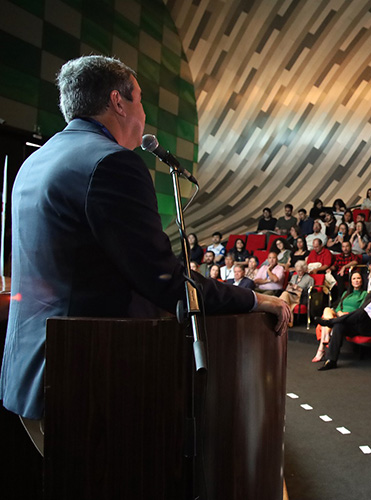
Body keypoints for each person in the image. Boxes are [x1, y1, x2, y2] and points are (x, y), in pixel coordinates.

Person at [0, 56, 291, 441]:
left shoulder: (36, 161)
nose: (143, 112)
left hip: (34, 371)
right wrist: (253, 300)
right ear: (118, 101)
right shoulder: (110, 163)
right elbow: (164, 279)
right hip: (84, 377)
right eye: (139, 100)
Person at [316, 278, 371, 370]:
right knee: (339, 326)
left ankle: (331, 321)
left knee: (361, 312)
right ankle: (331, 361)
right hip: (362, 325)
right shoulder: (369, 296)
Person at [311, 270, 368, 363]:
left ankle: (321, 349)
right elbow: (338, 308)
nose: (356, 280)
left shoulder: (364, 294)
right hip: (339, 315)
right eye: (354, 278)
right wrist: (339, 312)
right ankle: (326, 337)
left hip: (350, 318)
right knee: (326, 309)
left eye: (358, 278)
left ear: (362, 281)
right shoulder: (346, 293)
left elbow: (360, 310)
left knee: (325, 322)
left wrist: (345, 314)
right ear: (351, 281)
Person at [279, 261, 315, 327]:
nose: (298, 272)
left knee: (284, 296)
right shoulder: (294, 277)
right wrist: (291, 286)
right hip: (290, 294)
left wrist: (299, 288)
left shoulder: (309, 279)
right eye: (297, 270)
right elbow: (287, 288)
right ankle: (287, 321)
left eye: (300, 271)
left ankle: (282, 319)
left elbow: (311, 292)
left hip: (299, 297)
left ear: (304, 270)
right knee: (285, 294)